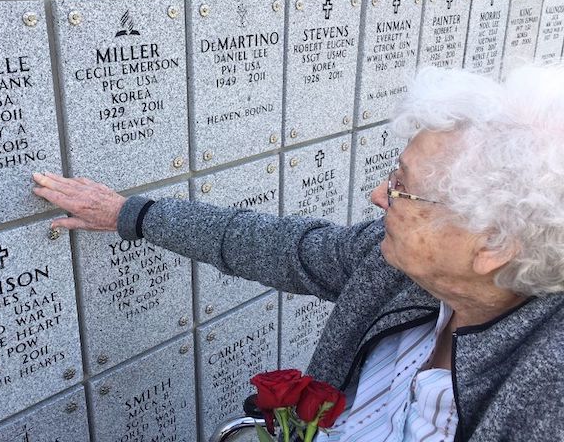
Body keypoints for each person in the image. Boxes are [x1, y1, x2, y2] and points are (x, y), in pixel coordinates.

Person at [31, 65, 564, 442]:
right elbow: (282, 247)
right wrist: (131, 214)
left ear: (492, 243)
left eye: (402, 185)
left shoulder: (547, 392)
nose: (378, 195)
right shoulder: (396, 271)